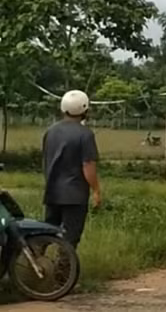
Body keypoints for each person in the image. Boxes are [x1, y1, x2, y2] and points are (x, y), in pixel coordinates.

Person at [42, 90, 101, 249]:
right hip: (74, 195)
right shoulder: (85, 135)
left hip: (52, 191)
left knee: (45, 233)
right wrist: (96, 190)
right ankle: (63, 272)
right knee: (70, 238)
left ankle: (33, 264)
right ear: (84, 110)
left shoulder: (50, 131)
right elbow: (88, 166)